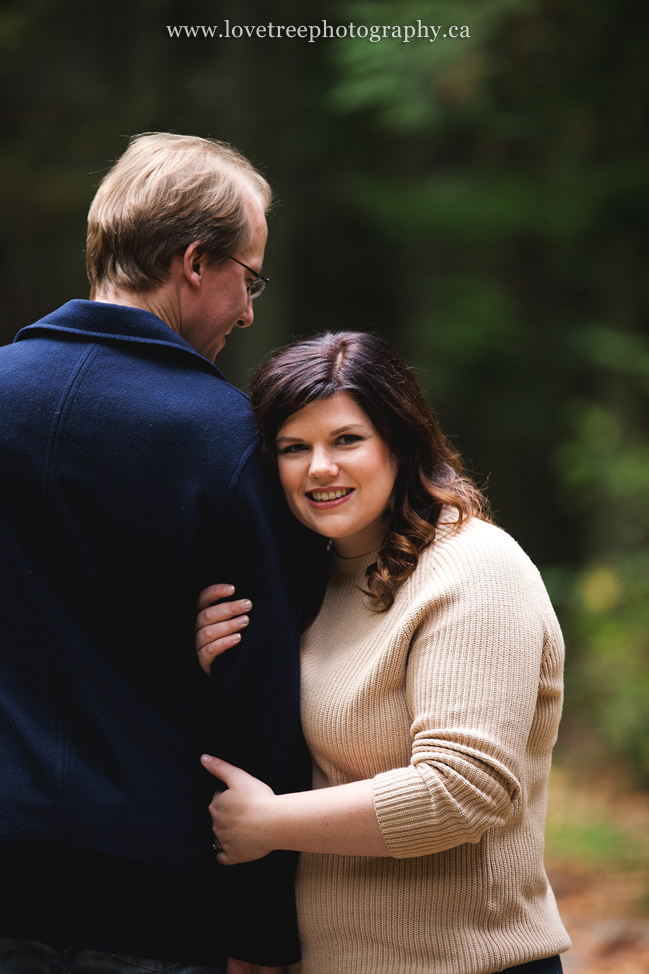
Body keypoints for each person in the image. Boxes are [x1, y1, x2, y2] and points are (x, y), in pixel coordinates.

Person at [0, 133, 311, 974]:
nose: (249, 311)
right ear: (196, 261)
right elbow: (261, 706)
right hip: (154, 900)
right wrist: (261, 936)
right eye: (249, 278)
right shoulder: (230, 441)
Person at [196, 331, 572, 974]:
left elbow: (462, 790)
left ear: (400, 441)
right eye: (294, 448)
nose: (320, 467)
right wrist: (214, 662)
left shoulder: (473, 567)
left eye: (346, 440)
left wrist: (267, 824)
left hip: (468, 963)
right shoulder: (309, 582)